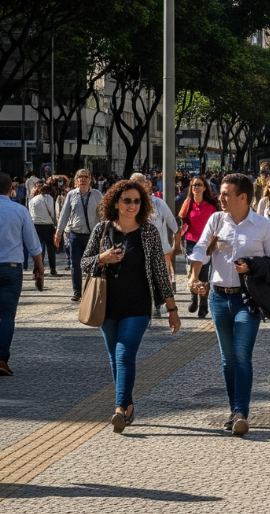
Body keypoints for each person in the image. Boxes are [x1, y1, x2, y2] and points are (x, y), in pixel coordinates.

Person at [80, 180, 180, 432]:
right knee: (115, 358)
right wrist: (101, 259)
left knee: (125, 354)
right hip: (106, 305)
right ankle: (129, 406)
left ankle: (118, 409)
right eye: (127, 200)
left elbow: (159, 271)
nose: (132, 205)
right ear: (115, 202)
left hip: (138, 305)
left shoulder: (148, 232)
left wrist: (172, 310)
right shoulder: (102, 230)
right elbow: (83, 263)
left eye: (137, 201)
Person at [188, 173, 270, 437]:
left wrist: (252, 265)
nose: (220, 197)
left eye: (226, 193)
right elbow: (200, 249)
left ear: (243, 197)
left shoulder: (262, 225)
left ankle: (241, 411)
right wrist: (194, 276)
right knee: (227, 359)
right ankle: (234, 410)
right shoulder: (216, 220)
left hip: (247, 299)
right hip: (218, 297)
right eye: (220, 193)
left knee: (241, 355)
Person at [0, 172, 44, 376]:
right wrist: (40, 269)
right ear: (12, 189)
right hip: (11, 268)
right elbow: (33, 244)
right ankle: (1, 359)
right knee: (7, 315)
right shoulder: (19, 210)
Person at [131, 174, 179, 316]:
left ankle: (157, 303)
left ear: (146, 185)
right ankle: (145, 304)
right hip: (138, 247)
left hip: (159, 248)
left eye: (140, 184)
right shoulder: (131, 204)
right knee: (142, 276)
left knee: (158, 277)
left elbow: (172, 223)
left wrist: (176, 243)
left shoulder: (158, 203)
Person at [55, 169, 103, 302]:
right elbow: (64, 215)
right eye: (80, 177)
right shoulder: (71, 195)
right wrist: (58, 232)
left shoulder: (97, 195)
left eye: (85, 177)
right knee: (75, 265)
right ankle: (77, 292)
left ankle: (90, 291)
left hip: (92, 235)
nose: (83, 179)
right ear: (76, 181)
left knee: (92, 264)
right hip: (75, 235)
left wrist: (105, 232)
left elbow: (103, 215)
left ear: (90, 179)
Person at [178, 176, 220, 318]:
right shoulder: (188, 203)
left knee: (203, 274)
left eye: (199, 185)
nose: (196, 187)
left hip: (207, 243)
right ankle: (193, 298)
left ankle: (203, 304)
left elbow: (217, 223)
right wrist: (178, 240)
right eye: (194, 185)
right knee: (191, 272)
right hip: (191, 242)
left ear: (204, 188)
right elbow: (182, 222)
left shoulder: (211, 205)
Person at [27, 182, 59, 277]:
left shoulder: (32, 200)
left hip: (36, 225)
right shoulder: (49, 198)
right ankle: (52, 268)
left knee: (38, 248)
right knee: (50, 249)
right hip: (48, 225)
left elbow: (30, 213)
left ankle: (36, 268)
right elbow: (53, 212)